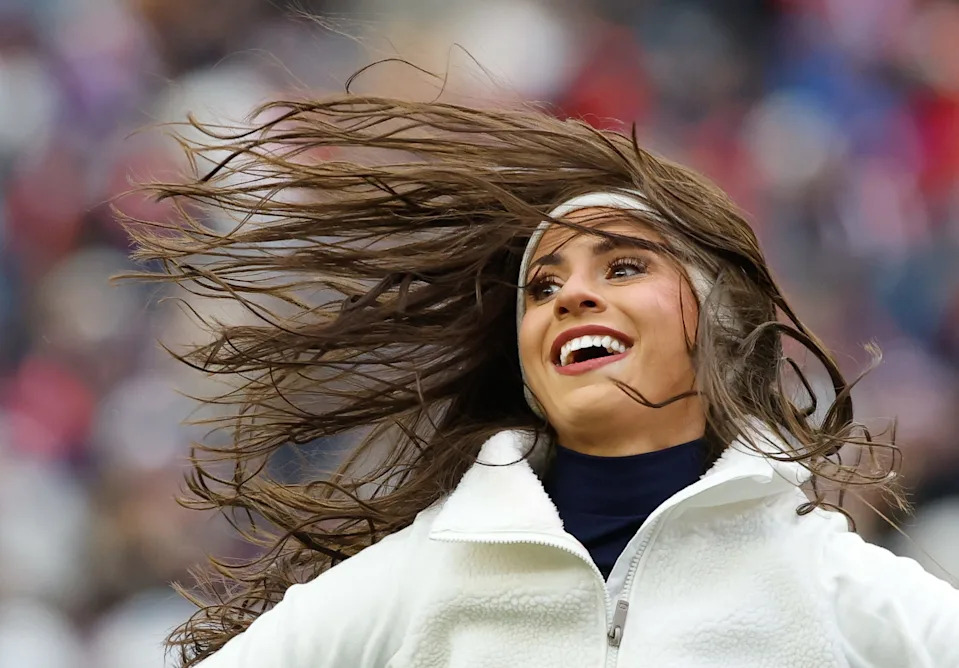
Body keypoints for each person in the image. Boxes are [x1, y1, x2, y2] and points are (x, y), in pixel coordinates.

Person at [128, 93, 959, 667]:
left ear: (717, 325)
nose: (574, 297)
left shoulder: (819, 579)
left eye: (624, 265)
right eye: (543, 287)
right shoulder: (424, 574)